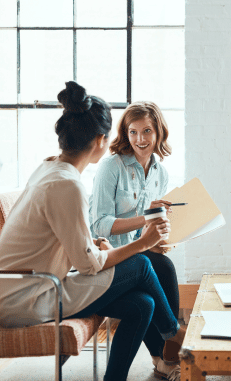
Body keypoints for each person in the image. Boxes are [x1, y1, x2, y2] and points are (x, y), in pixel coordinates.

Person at [0, 81, 184, 381]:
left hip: (29, 289)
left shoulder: (50, 168)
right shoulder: (68, 184)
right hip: (33, 297)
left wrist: (93, 242)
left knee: (142, 305)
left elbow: (60, 236)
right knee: (143, 263)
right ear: (101, 140)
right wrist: (143, 242)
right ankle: (174, 333)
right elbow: (87, 265)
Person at [89, 101, 181, 380]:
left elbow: (146, 236)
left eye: (147, 131)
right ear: (125, 134)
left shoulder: (160, 173)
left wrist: (159, 239)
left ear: (159, 133)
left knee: (160, 262)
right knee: (161, 269)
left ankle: (165, 356)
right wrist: (146, 218)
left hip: (138, 253)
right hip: (110, 254)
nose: (140, 139)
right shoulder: (111, 167)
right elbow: (99, 225)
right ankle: (171, 346)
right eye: (133, 132)